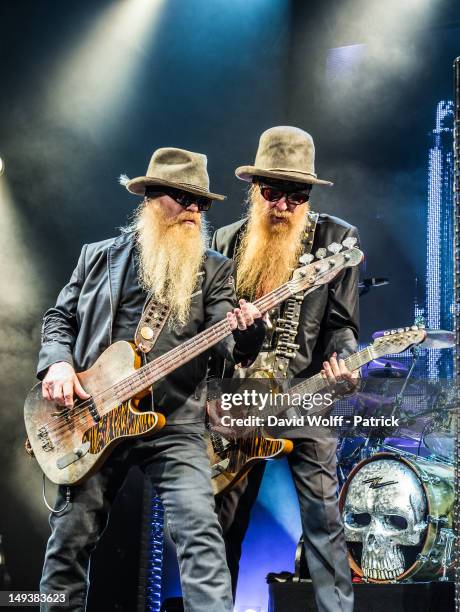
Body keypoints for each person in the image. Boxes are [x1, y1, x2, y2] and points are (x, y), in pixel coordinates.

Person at [37, 147, 266, 612]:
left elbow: (229, 341)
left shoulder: (215, 270)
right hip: (92, 418)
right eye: (183, 198)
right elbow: (58, 318)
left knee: (201, 534)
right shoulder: (97, 258)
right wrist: (58, 364)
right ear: (150, 197)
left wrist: (248, 332)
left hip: (175, 421)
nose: (193, 211)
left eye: (201, 203)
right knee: (69, 542)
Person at [212, 126, 360, 612]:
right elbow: (214, 335)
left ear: (308, 197)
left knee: (323, 521)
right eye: (272, 193)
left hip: (305, 396)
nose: (282, 206)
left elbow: (340, 323)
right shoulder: (226, 241)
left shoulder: (337, 240)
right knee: (223, 523)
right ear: (256, 191)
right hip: (241, 401)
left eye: (295, 196)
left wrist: (346, 361)